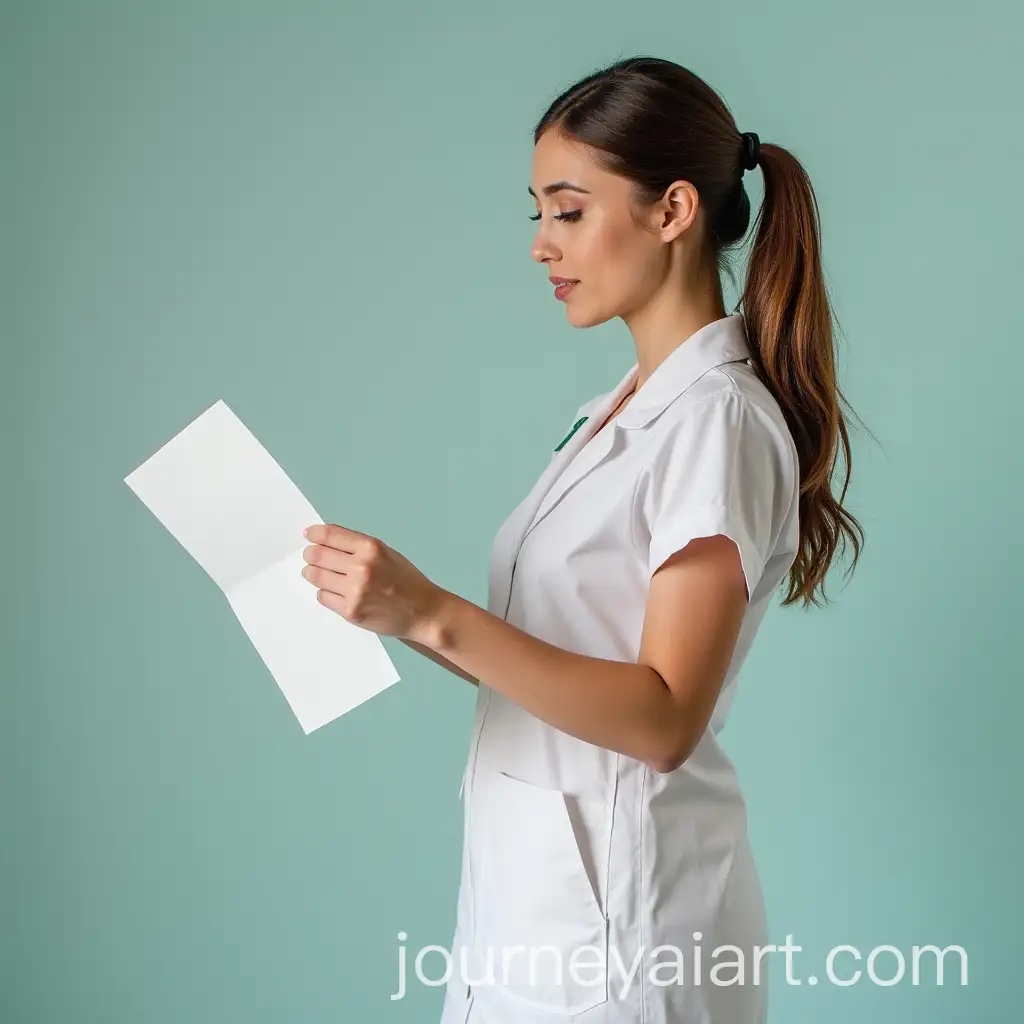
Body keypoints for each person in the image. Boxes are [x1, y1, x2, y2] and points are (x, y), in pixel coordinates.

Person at [300, 54, 865, 1024]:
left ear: (672, 210)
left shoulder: (715, 420)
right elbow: (559, 659)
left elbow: (662, 714)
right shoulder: (609, 414)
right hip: (533, 908)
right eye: (538, 214)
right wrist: (397, 610)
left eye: (567, 210)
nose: (540, 245)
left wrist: (434, 615)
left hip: (627, 931)